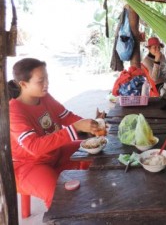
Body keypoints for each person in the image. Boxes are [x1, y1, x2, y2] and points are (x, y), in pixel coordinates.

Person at [8, 58, 102, 208]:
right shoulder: (14, 111)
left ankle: (86, 191)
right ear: (23, 84)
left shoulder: (44, 96)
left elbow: (66, 116)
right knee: (59, 198)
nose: (46, 84)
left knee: (92, 149)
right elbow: (34, 147)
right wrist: (75, 128)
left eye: (47, 78)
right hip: (29, 165)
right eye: (40, 81)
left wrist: (91, 125)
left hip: (54, 153)